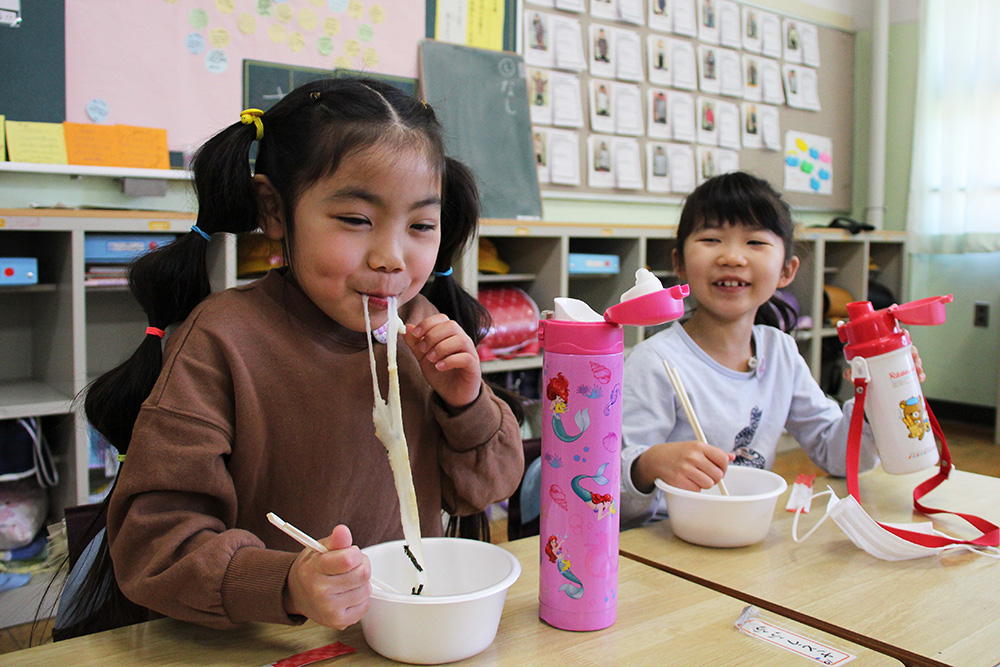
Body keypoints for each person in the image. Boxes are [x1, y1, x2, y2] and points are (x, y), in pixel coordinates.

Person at [58, 77, 524, 636]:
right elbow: (154, 544)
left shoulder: (422, 335)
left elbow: (488, 486)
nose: (392, 258)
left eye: (421, 225)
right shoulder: (224, 340)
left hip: (393, 633)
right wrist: (285, 583)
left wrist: (465, 401)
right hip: (259, 640)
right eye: (356, 220)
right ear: (275, 211)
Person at [619, 172, 920, 528]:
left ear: (787, 270)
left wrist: (877, 400)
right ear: (680, 263)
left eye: (756, 243)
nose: (732, 257)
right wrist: (648, 465)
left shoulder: (781, 352)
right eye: (712, 238)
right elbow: (607, 497)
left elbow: (839, 456)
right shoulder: (654, 362)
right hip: (662, 542)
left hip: (743, 532)